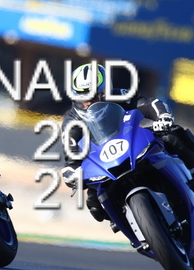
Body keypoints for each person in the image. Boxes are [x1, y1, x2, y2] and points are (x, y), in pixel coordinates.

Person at [61, 63, 194, 223]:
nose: (88, 102)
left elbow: (149, 104)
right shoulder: (71, 122)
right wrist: (71, 172)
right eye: (83, 98)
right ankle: (127, 222)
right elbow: (71, 157)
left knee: (172, 134)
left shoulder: (121, 95)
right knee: (94, 204)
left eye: (93, 96)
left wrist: (162, 117)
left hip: (135, 145)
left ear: (106, 90)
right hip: (104, 165)